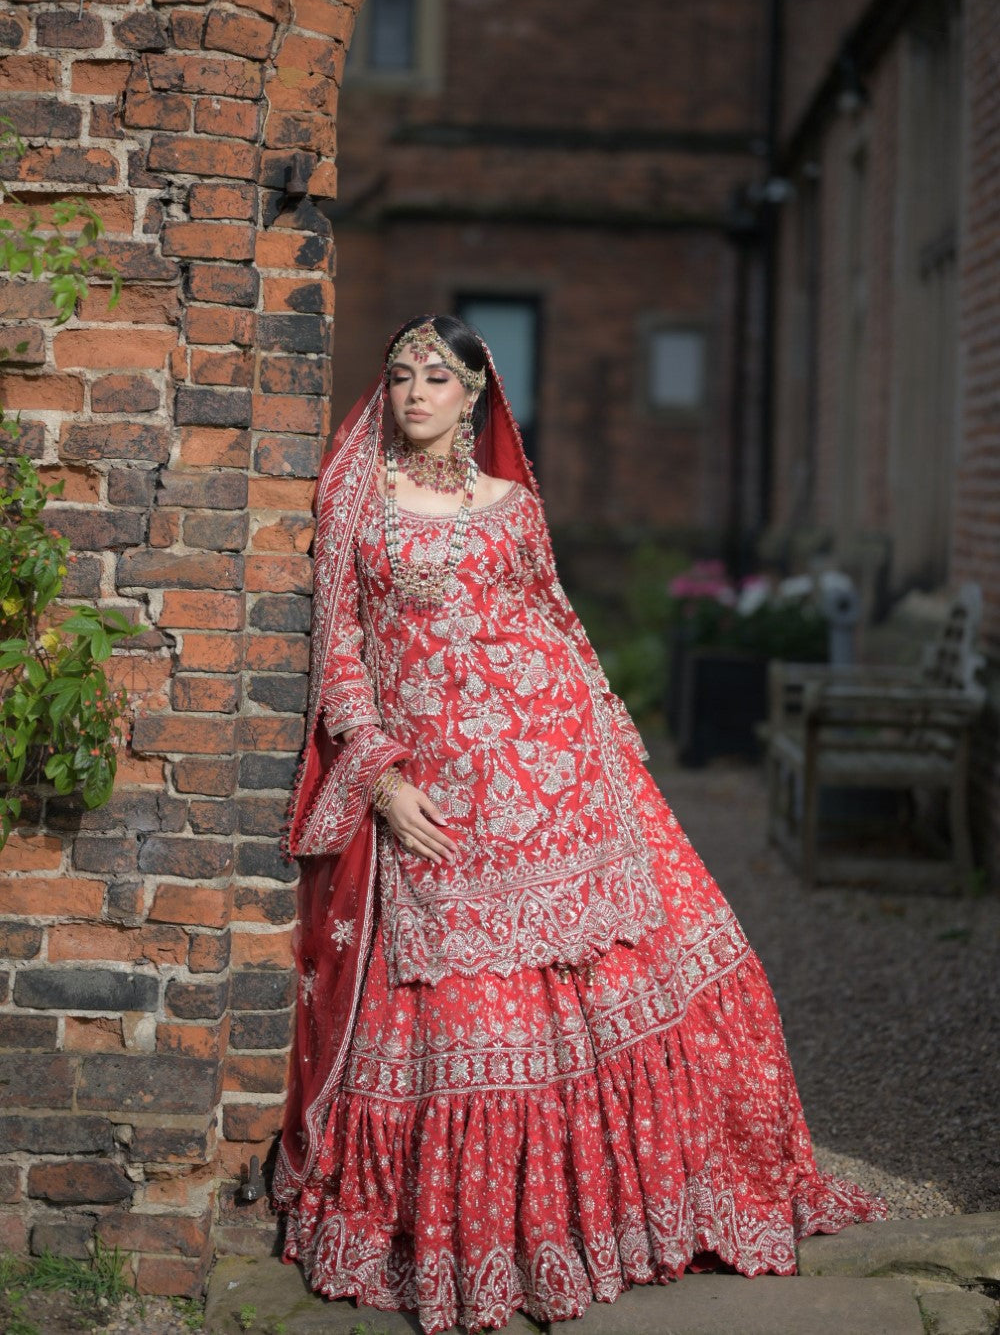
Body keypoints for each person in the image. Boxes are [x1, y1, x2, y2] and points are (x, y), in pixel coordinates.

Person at [273, 314, 888, 1335]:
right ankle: (496, 1240)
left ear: (478, 394)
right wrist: (378, 778)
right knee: (471, 1022)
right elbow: (339, 650)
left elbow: (554, 622)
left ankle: (642, 1212)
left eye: (438, 376)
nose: (415, 392)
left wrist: (611, 751)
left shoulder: (515, 507)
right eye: (399, 376)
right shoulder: (355, 503)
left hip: (560, 778)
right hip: (441, 799)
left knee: (684, 966)